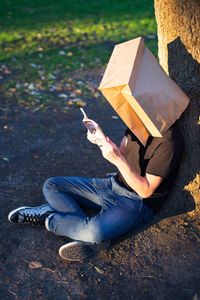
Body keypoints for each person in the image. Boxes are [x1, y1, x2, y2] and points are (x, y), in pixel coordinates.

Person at [8, 120, 184, 262]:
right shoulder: (137, 120)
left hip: (135, 202)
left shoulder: (169, 141)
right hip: (112, 185)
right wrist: (101, 141)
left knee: (94, 232)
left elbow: (145, 190)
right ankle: (80, 231)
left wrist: (117, 160)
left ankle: (50, 218)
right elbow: (121, 151)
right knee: (52, 185)